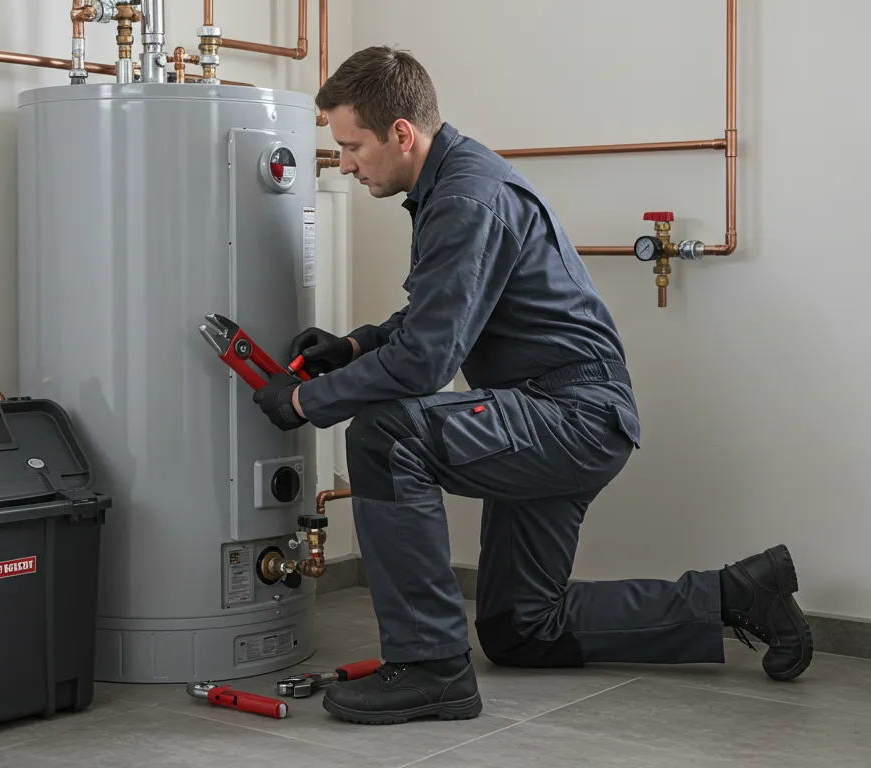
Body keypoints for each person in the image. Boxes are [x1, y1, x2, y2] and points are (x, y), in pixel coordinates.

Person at [251, 45, 813, 726]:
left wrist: (306, 401)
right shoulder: (453, 184)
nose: (343, 163)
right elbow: (438, 314)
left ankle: (431, 668)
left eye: (351, 145)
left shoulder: (464, 197)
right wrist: (353, 346)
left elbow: (426, 362)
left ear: (401, 132)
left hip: (568, 414)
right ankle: (740, 596)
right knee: (522, 627)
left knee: (384, 435)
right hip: (556, 411)